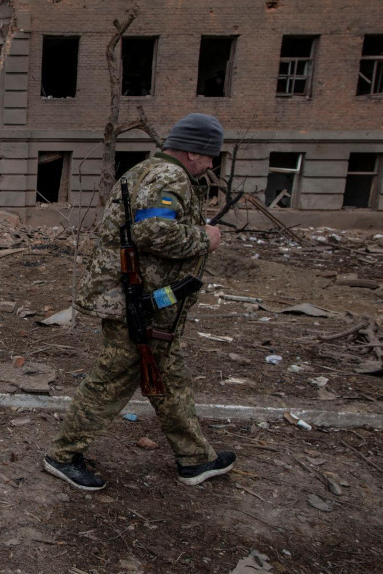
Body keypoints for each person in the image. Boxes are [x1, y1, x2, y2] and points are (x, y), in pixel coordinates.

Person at [43, 113, 235, 491]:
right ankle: (63, 455)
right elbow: (153, 231)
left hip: (150, 304)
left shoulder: (150, 172)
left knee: (167, 377)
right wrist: (204, 238)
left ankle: (195, 459)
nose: (211, 164)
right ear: (193, 152)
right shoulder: (168, 177)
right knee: (112, 380)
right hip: (137, 304)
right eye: (210, 155)